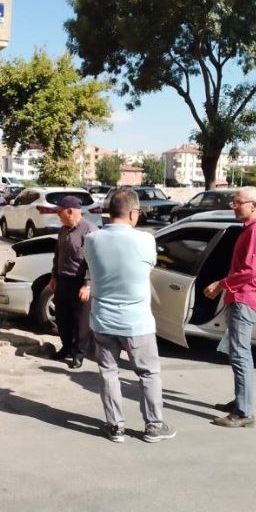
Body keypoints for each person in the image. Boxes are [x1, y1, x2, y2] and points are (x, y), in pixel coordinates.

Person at [84, 189, 176, 444]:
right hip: (137, 321)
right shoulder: (145, 240)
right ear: (134, 213)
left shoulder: (92, 239)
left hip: (103, 319)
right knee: (148, 373)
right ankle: (153, 426)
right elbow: (149, 266)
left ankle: (115, 426)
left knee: (108, 372)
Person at [202, 186, 256, 428]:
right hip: (241, 298)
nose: (234, 206)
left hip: (245, 299)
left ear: (254, 205)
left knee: (240, 355)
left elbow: (249, 271)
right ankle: (240, 402)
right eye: (234, 202)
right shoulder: (251, 229)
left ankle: (243, 412)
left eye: (238, 202)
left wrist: (220, 284)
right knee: (238, 353)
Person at [49, 195, 97, 369]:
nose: (58, 215)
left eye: (59, 212)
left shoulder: (90, 231)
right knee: (62, 318)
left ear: (70, 211)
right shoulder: (63, 230)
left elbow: (93, 260)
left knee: (81, 323)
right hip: (63, 281)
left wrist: (87, 284)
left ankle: (79, 354)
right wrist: (54, 276)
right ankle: (66, 347)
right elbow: (58, 255)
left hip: (80, 283)